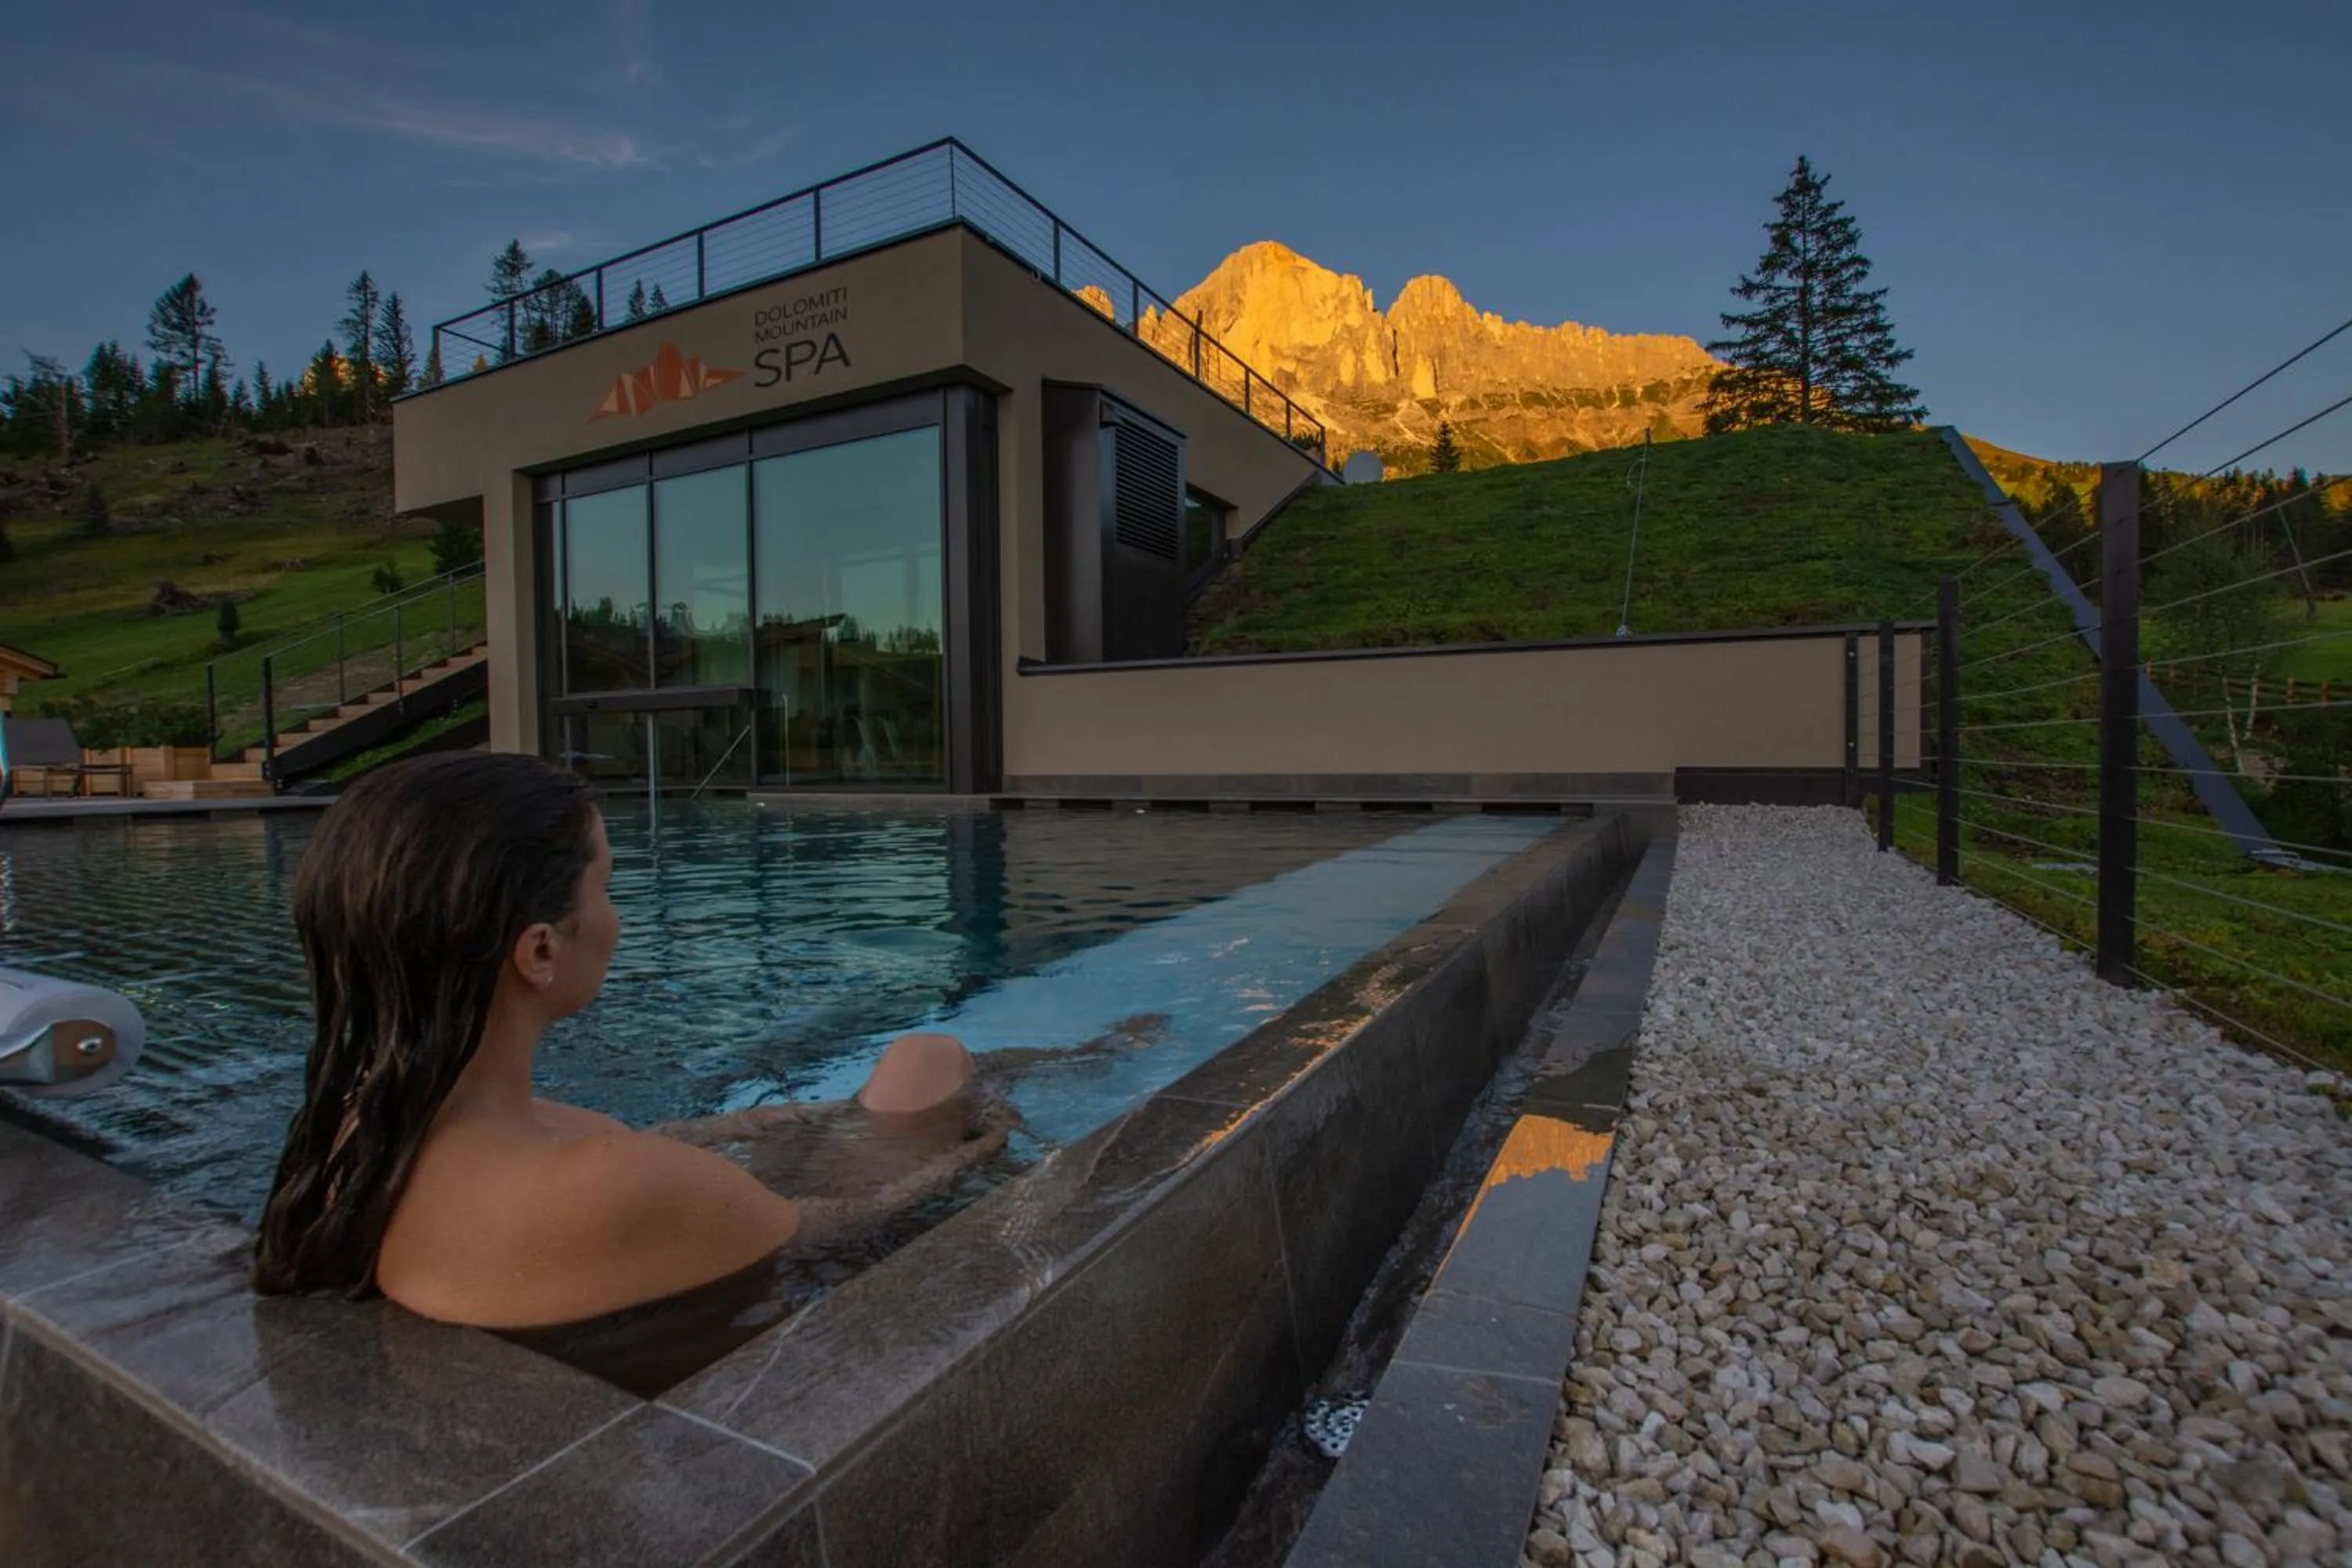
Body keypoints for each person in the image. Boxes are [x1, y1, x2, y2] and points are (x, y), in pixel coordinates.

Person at [250, 751, 1004, 1330]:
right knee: (925, 1062)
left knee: (871, 1095)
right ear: (539, 951)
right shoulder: (612, 1186)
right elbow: (857, 1224)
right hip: (785, 1235)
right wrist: (982, 1146)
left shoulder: (360, 1129)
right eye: (606, 888)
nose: (617, 919)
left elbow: (646, 1145)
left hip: (679, 1200)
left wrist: (793, 1120)